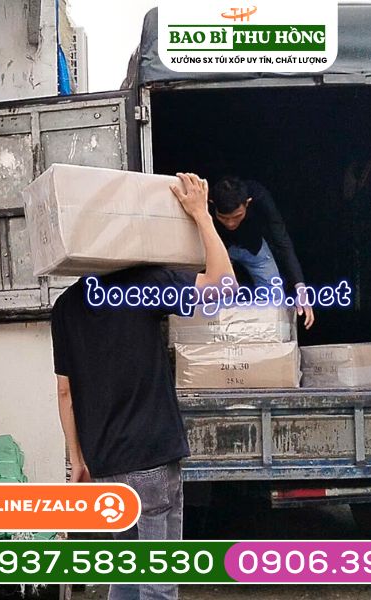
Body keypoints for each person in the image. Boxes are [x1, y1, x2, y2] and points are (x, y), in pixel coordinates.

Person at [51, 173, 235, 600]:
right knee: (157, 584)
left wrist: (77, 459)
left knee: (126, 572)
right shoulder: (144, 283)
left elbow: (65, 391)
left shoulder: (64, 307)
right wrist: (202, 216)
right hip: (151, 455)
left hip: (104, 463)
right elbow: (224, 288)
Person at [210, 176, 315, 329]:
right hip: (218, 249)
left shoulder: (260, 196)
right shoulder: (204, 199)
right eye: (223, 218)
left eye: (237, 216)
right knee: (216, 306)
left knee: (276, 301)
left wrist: (301, 289)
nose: (231, 223)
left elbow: (281, 239)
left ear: (248, 202)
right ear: (212, 204)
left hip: (254, 247)